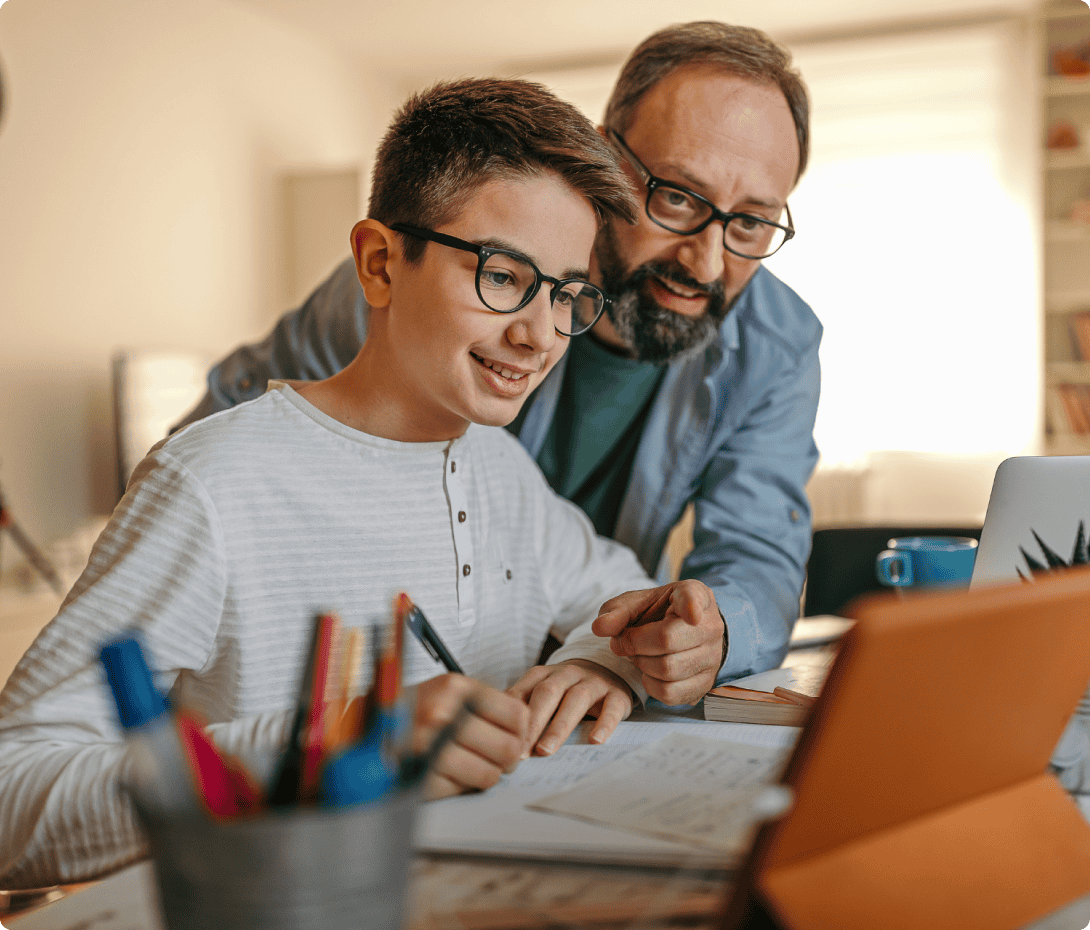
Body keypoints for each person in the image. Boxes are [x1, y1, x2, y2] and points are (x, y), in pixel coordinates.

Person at [0, 77, 696, 889]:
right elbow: (14, 797)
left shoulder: (498, 467)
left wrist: (601, 662)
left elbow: (625, 601)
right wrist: (322, 750)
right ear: (378, 263)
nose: (540, 334)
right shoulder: (212, 483)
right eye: (504, 276)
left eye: (568, 293)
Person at [176, 22, 823, 755]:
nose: (706, 262)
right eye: (677, 197)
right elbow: (248, 425)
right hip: (356, 712)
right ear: (610, 158)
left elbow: (754, 555)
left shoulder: (777, 344)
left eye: (751, 222)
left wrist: (670, 644)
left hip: (565, 691)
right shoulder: (418, 275)